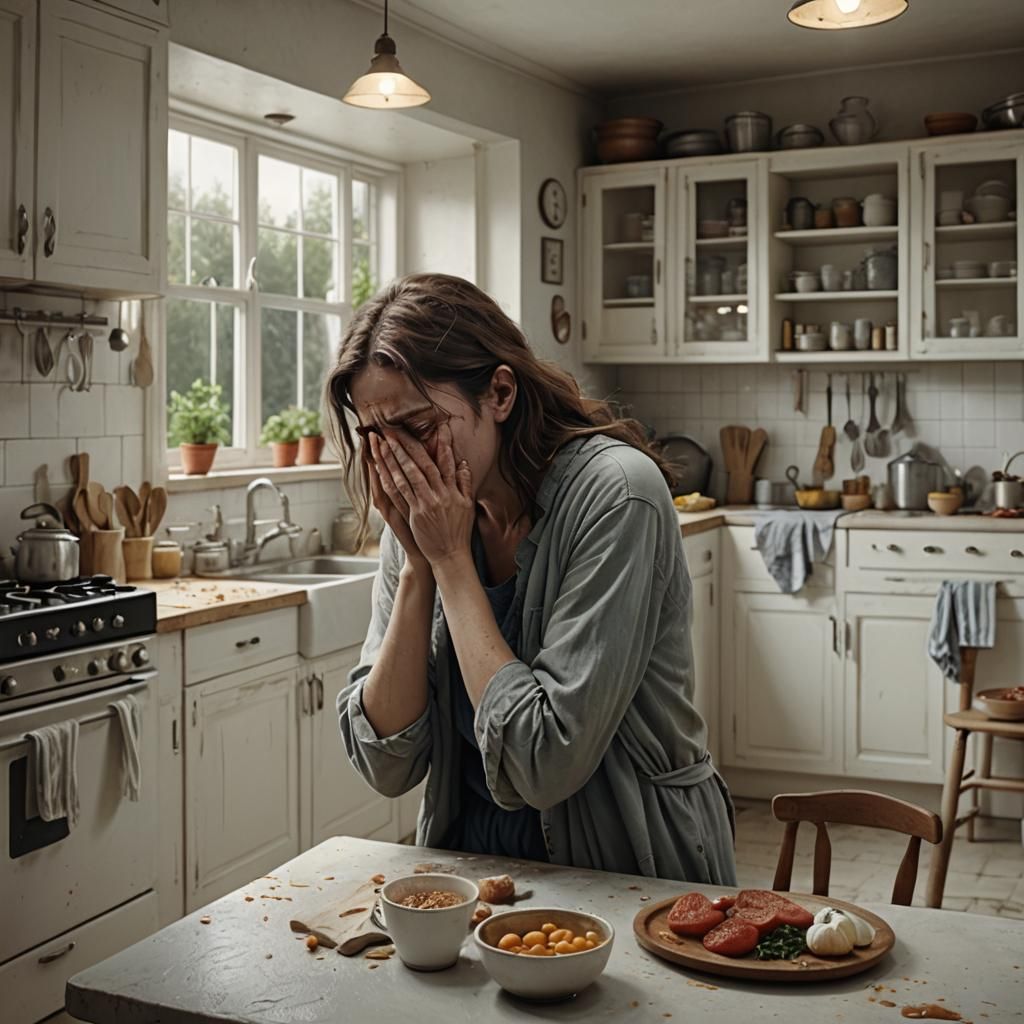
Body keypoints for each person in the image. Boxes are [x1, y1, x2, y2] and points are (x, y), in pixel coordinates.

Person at [326, 272, 736, 883]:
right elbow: (386, 763)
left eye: (417, 428)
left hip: (634, 872)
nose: (400, 464)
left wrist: (450, 565)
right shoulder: (424, 521)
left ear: (499, 393)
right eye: (375, 438)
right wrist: (417, 566)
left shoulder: (618, 494)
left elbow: (547, 765)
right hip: (471, 874)